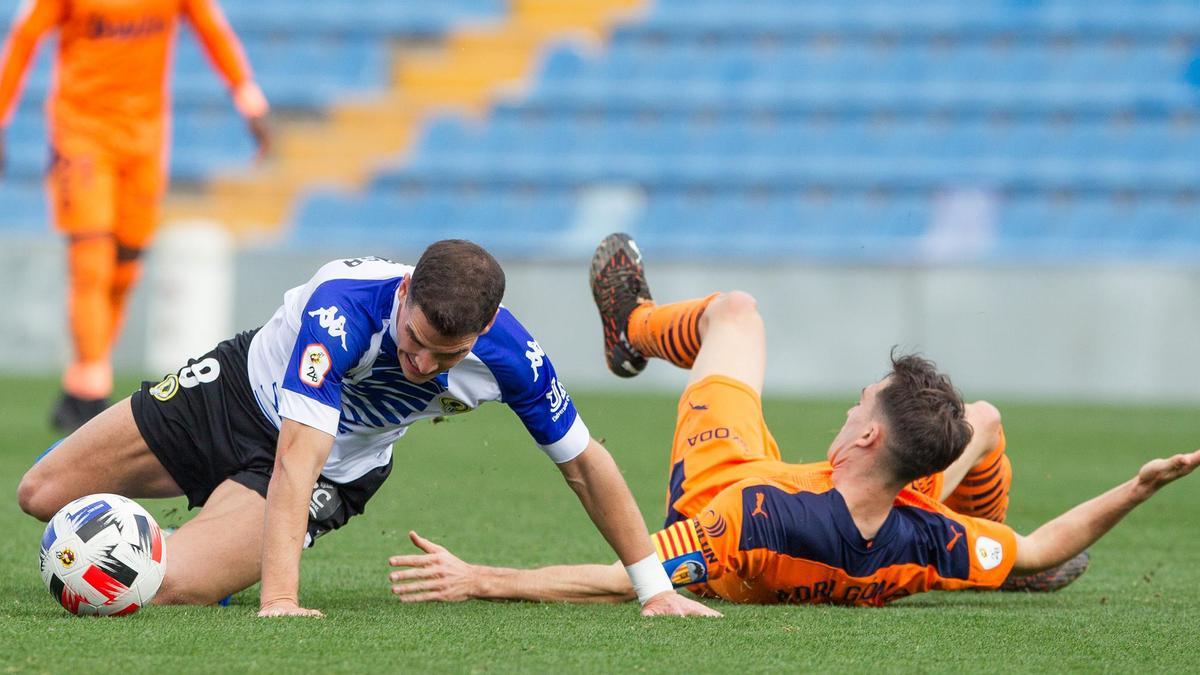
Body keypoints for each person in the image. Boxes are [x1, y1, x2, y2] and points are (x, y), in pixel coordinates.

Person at [384, 233, 1200, 607]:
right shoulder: (928, 539)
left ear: (867, 436)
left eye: (861, 403)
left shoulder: (754, 514)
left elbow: (634, 576)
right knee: (981, 420)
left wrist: (481, 578)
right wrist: (1135, 484)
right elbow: (1053, 541)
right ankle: (1003, 568)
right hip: (874, 521)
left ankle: (628, 327)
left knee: (733, 312)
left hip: (724, 473)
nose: (850, 405)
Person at [18, 242, 717, 618]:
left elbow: (585, 463)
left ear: (479, 333)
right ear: (405, 292)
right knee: (40, 491)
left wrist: (652, 585)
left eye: (445, 356)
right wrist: (282, 601)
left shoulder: (513, 359)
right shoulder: (343, 306)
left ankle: (223, 551)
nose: (420, 364)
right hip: (234, 391)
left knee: (158, 584)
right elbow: (296, 444)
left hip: (331, 470)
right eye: (413, 340)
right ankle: (233, 542)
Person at [0, 0, 271, 431]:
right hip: (82, 133)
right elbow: (24, 39)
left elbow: (212, 31)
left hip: (144, 138)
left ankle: (82, 380)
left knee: (124, 267)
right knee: (91, 258)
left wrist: (248, 98)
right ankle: (91, 389)